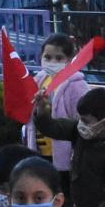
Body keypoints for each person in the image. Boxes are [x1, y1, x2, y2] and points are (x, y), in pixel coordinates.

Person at [29, 33, 86, 178]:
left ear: (68, 60)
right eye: (47, 57)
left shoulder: (76, 86)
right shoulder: (38, 81)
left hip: (65, 157)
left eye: (59, 58)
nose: (52, 61)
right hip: (40, 152)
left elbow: (82, 120)